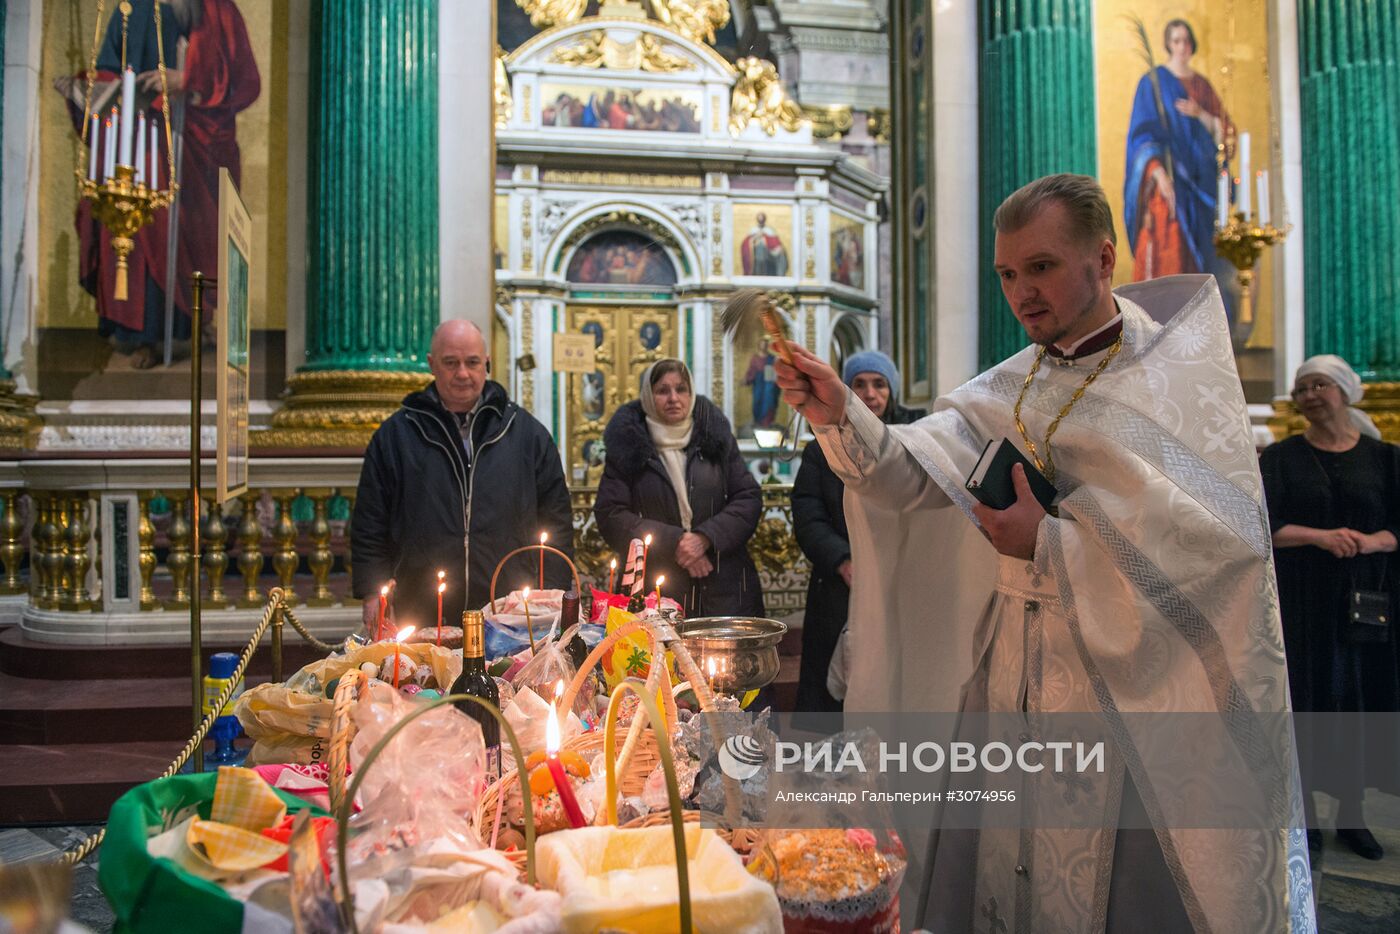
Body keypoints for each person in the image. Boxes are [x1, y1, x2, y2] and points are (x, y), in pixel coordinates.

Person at [774, 174, 1312, 931]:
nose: (1021, 292)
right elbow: (911, 476)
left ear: (1102, 257)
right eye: (1007, 274)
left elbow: (1223, 552)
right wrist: (839, 418)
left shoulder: (1171, 383)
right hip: (1009, 682)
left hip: (1122, 699)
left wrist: (1049, 545)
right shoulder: (1010, 386)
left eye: (1042, 267)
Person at [56, 0, 260, 369]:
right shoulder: (127, 9)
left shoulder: (213, 8)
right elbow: (108, 68)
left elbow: (244, 80)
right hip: (132, 138)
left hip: (187, 139)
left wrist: (189, 80)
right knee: (124, 221)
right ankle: (138, 333)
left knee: (170, 228)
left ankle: (181, 330)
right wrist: (88, 89)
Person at [1261, 355, 1400, 861]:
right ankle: (1306, 815)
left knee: (1358, 703)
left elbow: (1396, 526)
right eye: (1302, 388)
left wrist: (1374, 541)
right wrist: (1321, 537)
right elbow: (1263, 526)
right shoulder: (1280, 459)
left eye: (1319, 384)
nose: (1309, 394)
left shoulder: (1385, 459)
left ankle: (1352, 813)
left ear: (1343, 391)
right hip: (1303, 602)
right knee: (1307, 701)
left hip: (1366, 604)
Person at [352, 320, 574, 634]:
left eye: (471, 362)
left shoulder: (526, 433)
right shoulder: (397, 435)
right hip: (423, 606)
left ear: (487, 364)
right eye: (450, 363)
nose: (462, 374)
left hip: (510, 610)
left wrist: (554, 591)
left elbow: (556, 519)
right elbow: (370, 520)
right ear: (431, 365)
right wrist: (372, 590)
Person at [791, 350, 923, 712]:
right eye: (859, 385)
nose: (870, 393)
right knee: (835, 691)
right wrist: (842, 559)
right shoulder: (821, 449)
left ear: (891, 391)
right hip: (838, 584)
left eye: (879, 384)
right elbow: (808, 514)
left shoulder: (915, 440)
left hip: (900, 580)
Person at [594, 359, 764, 617]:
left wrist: (705, 538)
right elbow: (611, 514)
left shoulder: (715, 438)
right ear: (648, 397)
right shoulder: (627, 445)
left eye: (681, 389)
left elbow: (748, 497)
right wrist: (675, 542)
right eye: (663, 390)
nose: (673, 398)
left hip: (723, 583)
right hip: (656, 588)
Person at [1124, 19, 1232, 285]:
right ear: (1168, 45)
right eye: (1176, 41)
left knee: (1204, 264)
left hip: (1201, 188)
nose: (1182, 46)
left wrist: (1201, 114)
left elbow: (1226, 134)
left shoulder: (1202, 87)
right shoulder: (1154, 83)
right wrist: (1159, 175)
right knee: (1168, 247)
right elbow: (1141, 139)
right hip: (1168, 186)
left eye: (1186, 40)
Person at [744, 338, 780, 428]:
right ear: (759, 345)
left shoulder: (771, 358)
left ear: (767, 346)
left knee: (769, 401)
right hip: (759, 383)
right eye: (762, 344)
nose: (763, 346)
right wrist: (747, 379)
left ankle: (768, 422)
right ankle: (758, 421)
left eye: (765, 344)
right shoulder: (755, 358)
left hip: (769, 382)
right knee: (757, 401)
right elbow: (751, 371)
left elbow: (775, 371)